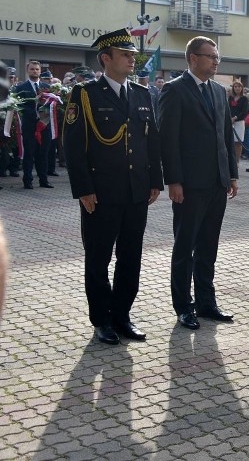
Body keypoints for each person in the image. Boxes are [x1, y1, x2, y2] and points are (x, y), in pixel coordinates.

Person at [62, 28, 163, 344]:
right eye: (125, 54)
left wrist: (155, 181)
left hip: (136, 192)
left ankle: (122, 315)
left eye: (133, 54)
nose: (132, 59)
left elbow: (151, 142)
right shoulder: (85, 94)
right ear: (106, 58)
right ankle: (101, 319)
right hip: (101, 194)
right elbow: (73, 146)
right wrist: (83, 189)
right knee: (98, 258)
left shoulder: (142, 94)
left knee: (131, 258)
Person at [157, 36, 238, 330]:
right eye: (210, 56)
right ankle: (183, 306)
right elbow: (168, 140)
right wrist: (174, 180)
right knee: (185, 246)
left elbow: (225, 136)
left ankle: (206, 302)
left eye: (218, 57)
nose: (216, 61)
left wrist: (232, 173)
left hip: (216, 182)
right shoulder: (174, 90)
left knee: (208, 246)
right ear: (192, 58)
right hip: (190, 185)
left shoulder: (218, 90)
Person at [13, 60, 52, 189]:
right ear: (27, 70)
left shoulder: (47, 87)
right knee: (29, 153)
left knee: (43, 153)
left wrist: (44, 110)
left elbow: (52, 104)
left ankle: (43, 180)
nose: (34, 71)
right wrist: (35, 110)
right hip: (29, 125)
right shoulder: (20, 87)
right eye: (32, 69)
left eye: (37, 69)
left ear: (40, 71)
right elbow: (19, 106)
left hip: (44, 125)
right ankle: (28, 180)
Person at [228, 80, 249, 165]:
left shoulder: (244, 98)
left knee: (238, 142)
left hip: (239, 122)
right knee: (231, 141)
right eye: (235, 86)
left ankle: (236, 161)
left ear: (242, 88)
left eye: (239, 86)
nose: (237, 88)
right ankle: (231, 160)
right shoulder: (230, 98)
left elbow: (244, 111)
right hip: (230, 121)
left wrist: (235, 118)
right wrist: (230, 118)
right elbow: (228, 108)